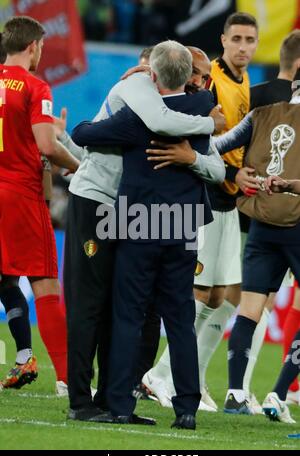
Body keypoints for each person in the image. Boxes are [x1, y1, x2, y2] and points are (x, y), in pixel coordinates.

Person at [62, 45, 225, 423]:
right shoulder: (203, 110)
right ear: (189, 78)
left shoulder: (138, 118)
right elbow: (218, 172)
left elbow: (85, 132)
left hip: (136, 223)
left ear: (152, 74)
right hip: (182, 227)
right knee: (178, 319)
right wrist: (194, 156)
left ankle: (117, 405)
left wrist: (78, 131)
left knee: (128, 315)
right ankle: (186, 409)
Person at [143, 11, 259, 412]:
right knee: (201, 292)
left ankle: (191, 374)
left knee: (228, 295)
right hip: (205, 196)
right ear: (223, 41)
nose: (244, 47)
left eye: (250, 40)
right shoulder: (207, 81)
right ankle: (162, 374)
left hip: (230, 198)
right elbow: (204, 143)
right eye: (237, 39)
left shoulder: (245, 84)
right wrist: (231, 171)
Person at [209, 82, 300, 416]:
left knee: (249, 309)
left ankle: (235, 394)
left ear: (293, 87)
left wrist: (236, 174)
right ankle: (278, 393)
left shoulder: (260, 116)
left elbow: (215, 145)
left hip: (261, 224)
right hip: (297, 222)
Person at [0, 16, 79, 392]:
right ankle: (67, 380)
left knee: (5, 278)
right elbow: (47, 146)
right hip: (20, 196)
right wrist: (79, 167)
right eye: (42, 48)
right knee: (45, 285)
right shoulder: (36, 85)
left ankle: (21, 358)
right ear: (32, 46)